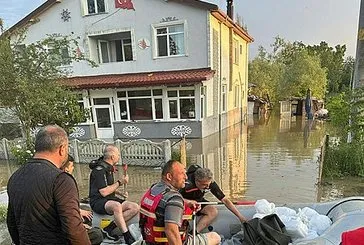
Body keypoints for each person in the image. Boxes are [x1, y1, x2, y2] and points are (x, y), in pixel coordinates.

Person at [7, 125, 90, 245]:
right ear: (62, 149)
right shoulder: (61, 180)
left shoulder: (15, 177)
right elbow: (73, 230)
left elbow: (12, 223)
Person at [139, 160, 221, 245]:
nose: (186, 177)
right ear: (169, 176)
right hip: (174, 242)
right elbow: (171, 232)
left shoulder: (154, 189)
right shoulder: (174, 198)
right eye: (182, 173)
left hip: (150, 242)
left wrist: (187, 202)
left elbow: (164, 201)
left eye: (185, 173)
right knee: (215, 237)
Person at [89, 144, 139, 244]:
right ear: (112, 157)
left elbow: (109, 187)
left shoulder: (109, 168)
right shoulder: (99, 170)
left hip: (109, 199)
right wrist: (120, 182)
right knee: (116, 206)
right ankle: (127, 235)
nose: (119, 157)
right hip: (98, 201)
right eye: (118, 155)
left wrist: (121, 193)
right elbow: (103, 192)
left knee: (134, 207)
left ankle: (109, 229)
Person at [180, 165, 247, 233]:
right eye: (205, 185)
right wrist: (188, 202)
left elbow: (225, 200)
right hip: (183, 202)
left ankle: (195, 232)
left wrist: (240, 217)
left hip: (198, 201)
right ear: (197, 181)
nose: (208, 187)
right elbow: (174, 197)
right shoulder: (185, 183)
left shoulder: (209, 183)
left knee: (213, 211)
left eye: (209, 184)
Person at [62, 155, 104, 245]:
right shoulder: (65, 183)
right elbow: (66, 213)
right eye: (72, 166)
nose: (73, 168)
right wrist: (80, 226)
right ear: (66, 169)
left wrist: (79, 211)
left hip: (69, 220)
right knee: (97, 234)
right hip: (66, 229)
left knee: (88, 216)